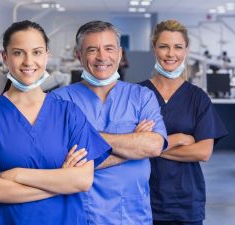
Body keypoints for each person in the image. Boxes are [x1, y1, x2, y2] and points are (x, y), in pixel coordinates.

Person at [0, 20, 111, 225]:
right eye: (18, 53)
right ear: (5, 58)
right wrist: (60, 181)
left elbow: (82, 180)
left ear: (46, 55)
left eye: (36, 52)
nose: (28, 61)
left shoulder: (69, 114)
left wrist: (17, 174)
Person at [52, 20, 168, 225]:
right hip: (80, 215)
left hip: (133, 216)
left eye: (109, 48)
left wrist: (86, 141)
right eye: (92, 49)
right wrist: (132, 146)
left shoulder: (142, 97)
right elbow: (57, 161)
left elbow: (154, 145)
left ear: (120, 53)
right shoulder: (59, 100)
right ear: (78, 55)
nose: (102, 57)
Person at [139, 19, 228, 225]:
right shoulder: (137, 94)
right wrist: (178, 139)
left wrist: (150, 147)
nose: (171, 54)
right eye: (164, 46)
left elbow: (203, 152)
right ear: (154, 49)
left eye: (178, 47)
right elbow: (127, 146)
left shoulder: (198, 98)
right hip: (144, 197)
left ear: (186, 50)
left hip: (185, 200)